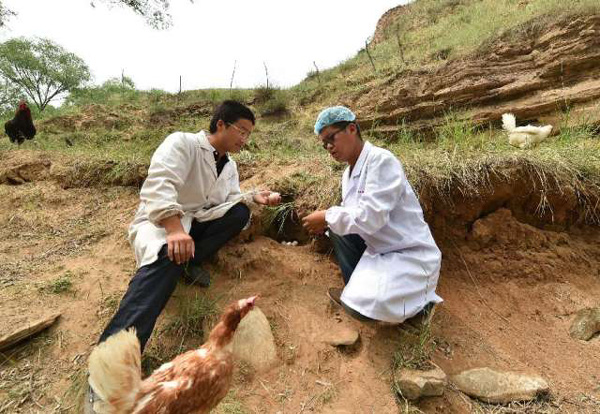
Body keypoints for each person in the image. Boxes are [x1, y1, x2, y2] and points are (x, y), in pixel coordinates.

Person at [86, 100, 280, 412]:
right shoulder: (182, 143)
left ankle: (189, 263)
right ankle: (106, 373)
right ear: (221, 124)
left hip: (194, 225)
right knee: (165, 259)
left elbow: (225, 201)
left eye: (248, 135)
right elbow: (159, 185)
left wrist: (252, 196)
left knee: (238, 213)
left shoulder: (228, 165)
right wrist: (175, 230)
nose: (244, 139)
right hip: (163, 223)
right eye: (241, 131)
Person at [302, 106, 442, 323]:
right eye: (324, 144)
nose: (329, 147)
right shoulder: (347, 175)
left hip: (409, 254)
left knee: (361, 309)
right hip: (380, 251)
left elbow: (371, 218)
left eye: (331, 138)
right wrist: (330, 221)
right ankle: (356, 290)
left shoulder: (381, 160)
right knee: (338, 228)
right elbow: (354, 219)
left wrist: (327, 216)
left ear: (351, 129)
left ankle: (422, 306)